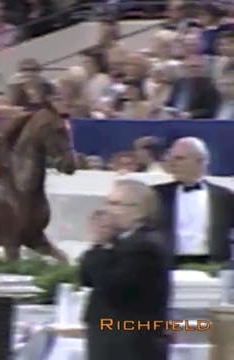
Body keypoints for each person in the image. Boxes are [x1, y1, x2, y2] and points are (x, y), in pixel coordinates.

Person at [80, 179, 170, 360]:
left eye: (114, 204)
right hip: (110, 340)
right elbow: (86, 278)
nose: (106, 210)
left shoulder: (146, 246)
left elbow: (112, 285)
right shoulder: (120, 241)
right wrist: (99, 244)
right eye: (107, 202)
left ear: (138, 211)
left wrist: (103, 244)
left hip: (130, 344)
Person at [152, 137, 234, 265]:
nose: (172, 163)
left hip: (213, 266)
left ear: (200, 160)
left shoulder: (224, 196)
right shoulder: (156, 194)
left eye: (179, 158)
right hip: (168, 266)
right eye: (171, 158)